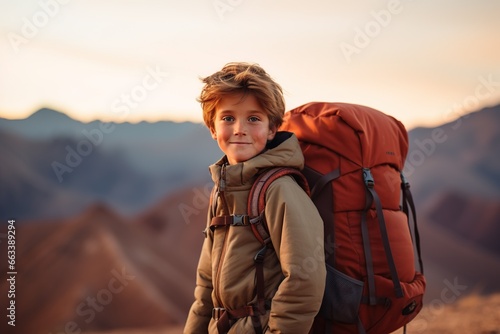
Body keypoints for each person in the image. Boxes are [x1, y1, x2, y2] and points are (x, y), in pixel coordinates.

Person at [184, 62, 326, 334]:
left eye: (253, 118)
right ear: (212, 128)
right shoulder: (222, 191)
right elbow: (205, 285)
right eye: (228, 118)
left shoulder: (279, 189)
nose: (240, 129)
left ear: (272, 129)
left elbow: (305, 279)